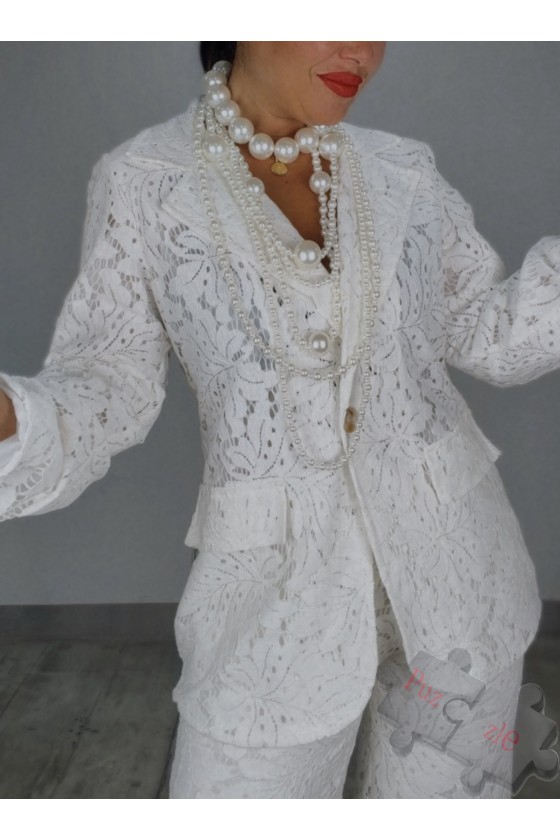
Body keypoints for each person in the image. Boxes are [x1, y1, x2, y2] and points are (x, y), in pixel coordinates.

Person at [0, 42, 559, 798]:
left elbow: (485, 332)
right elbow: (110, 381)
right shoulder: (145, 180)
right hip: (274, 605)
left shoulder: (403, 169)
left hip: (458, 579)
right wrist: (14, 418)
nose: (361, 51)